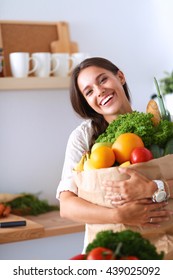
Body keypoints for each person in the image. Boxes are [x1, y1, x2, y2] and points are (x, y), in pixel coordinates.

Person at [56, 57, 173, 252]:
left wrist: (153, 188)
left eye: (103, 80)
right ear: (86, 102)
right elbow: (66, 206)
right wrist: (119, 215)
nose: (100, 91)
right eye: (89, 91)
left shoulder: (160, 126)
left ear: (120, 76)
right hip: (108, 251)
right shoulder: (84, 137)